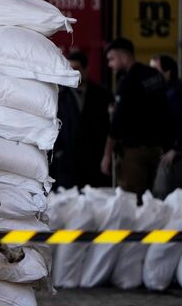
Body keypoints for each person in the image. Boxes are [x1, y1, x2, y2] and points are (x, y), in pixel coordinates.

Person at [100, 38, 173, 197]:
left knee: (131, 202)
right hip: (156, 151)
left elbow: (117, 123)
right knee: (151, 201)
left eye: (112, 59)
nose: (109, 64)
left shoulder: (127, 82)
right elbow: (164, 111)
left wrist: (107, 154)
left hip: (133, 153)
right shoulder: (155, 75)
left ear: (124, 57)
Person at [52, 51, 114, 189]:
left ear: (86, 69)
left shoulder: (103, 95)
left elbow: (109, 127)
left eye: (76, 69)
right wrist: (59, 152)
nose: (72, 73)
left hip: (94, 162)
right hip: (67, 163)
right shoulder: (59, 96)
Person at [150, 54, 182, 198]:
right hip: (170, 154)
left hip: (173, 158)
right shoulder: (166, 93)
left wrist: (175, 149)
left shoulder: (174, 94)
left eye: (155, 71)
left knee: (164, 196)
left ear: (167, 72)